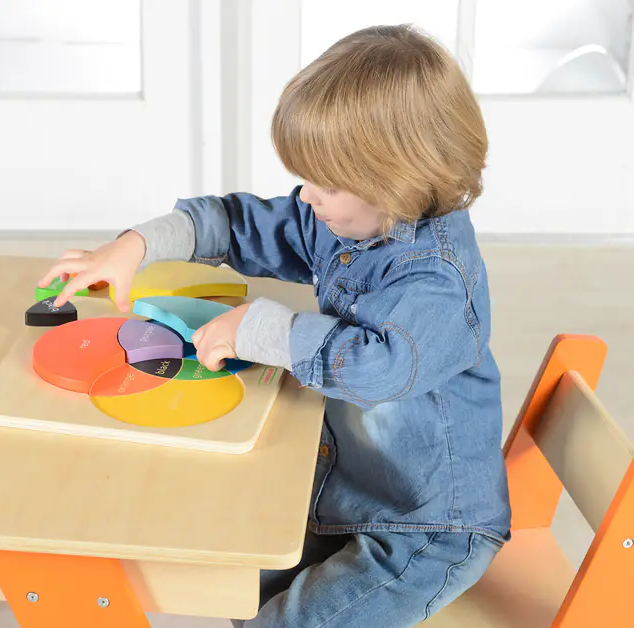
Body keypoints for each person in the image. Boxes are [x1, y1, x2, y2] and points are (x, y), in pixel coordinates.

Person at [40, 25, 511, 628]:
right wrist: (136, 245)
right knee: (234, 573)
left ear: (398, 181)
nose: (306, 197)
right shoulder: (351, 216)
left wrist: (262, 329)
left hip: (423, 528)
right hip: (346, 488)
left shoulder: (438, 279)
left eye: (327, 183)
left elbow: (379, 366)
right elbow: (238, 225)